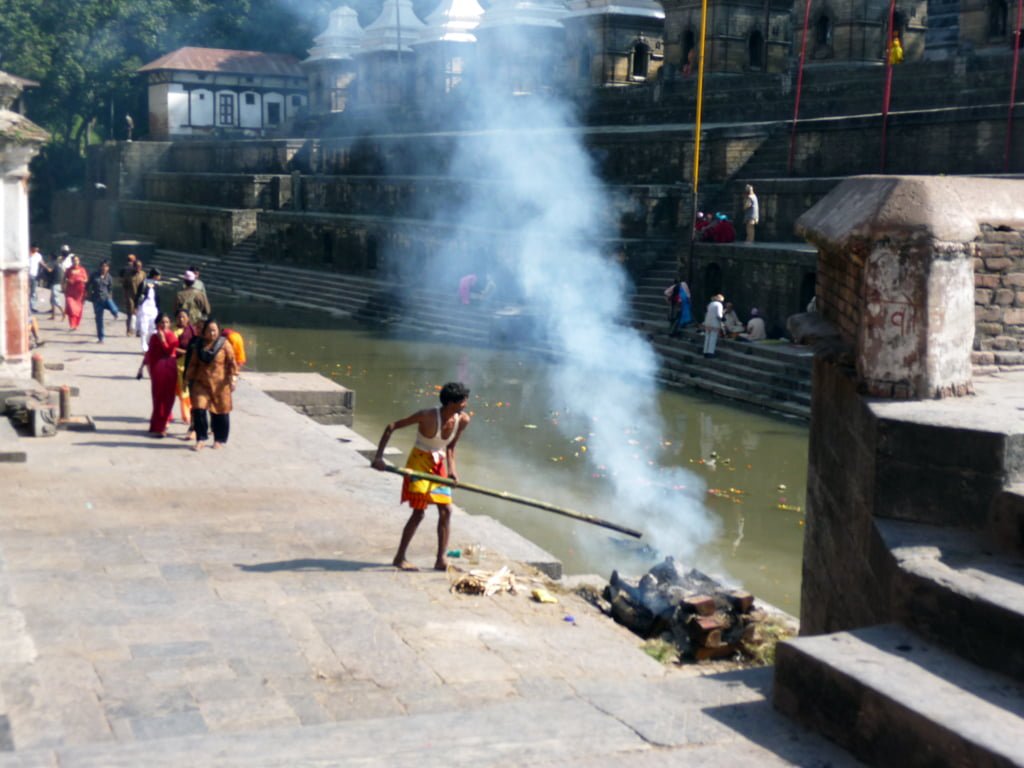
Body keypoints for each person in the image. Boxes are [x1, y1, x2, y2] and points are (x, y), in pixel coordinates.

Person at [371, 382, 472, 572]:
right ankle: (399, 557)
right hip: (418, 462)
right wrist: (378, 458)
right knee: (419, 512)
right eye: (463, 401)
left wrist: (452, 470)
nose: (465, 404)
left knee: (446, 511)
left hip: (438, 464)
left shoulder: (463, 420)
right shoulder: (427, 415)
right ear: (451, 402)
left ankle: (440, 559)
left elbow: (450, 447)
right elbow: (391, 426)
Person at [185, 318, 239, 451]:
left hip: (220, 384)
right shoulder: (199, 345)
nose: (212, 333)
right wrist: (187, 379)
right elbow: (193, 364)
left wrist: (233, 379)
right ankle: (201, 438)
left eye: (214, 330)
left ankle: (219, 439)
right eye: (209, 330)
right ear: (204, 332)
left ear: (219, 331)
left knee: (221, 412)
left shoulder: (225, 345)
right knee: (198, 409)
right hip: (201, 383)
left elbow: (232, 363)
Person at [136, 313, 179, 437]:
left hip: (169, 367)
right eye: (162, 322)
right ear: (157, 324)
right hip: (157, 369)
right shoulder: (154, 337)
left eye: (166, 322)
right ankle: (157, 425)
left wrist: (163, 340)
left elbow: (169, 351)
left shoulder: (172, 336)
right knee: (158, 397)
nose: (164, 325)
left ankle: (163, 425)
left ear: (170, 324)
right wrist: (142, 366)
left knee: (168, 397)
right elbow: (149, 353)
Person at [173, 309, 198, 438]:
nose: (181, 319)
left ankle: (189, 417)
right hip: (176, 365)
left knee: (188, 392)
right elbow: (171, 347)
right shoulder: (174, 331)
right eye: (179, 317)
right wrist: (185, 352)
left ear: (188, 318)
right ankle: (183, 415)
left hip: (189, 365)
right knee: (180, 392)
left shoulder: (193, 331)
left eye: (183, 317)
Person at [88, 261, 120, 343]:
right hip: (97, 299)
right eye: (102, 266)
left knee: (114, 309)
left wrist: (110, 296)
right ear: (100, 267)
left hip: (106, 298)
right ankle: (101, 337)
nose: (104, 268)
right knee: (99, 319)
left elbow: (110, 288)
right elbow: (88, 284)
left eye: (106, 266)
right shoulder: (94, 275)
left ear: (108, 268)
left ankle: (115, 313)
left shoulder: (109, 277)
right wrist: (88, 293)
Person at [135, 268, 161, 351]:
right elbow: (138, 295)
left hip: (153, 308)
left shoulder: (157, 285)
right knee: (144, 327)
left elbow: (158, 298)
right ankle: (143, 344)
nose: (159, 277)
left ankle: (149, 343)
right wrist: (136, 306)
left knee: (153, 328)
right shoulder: (144, 283)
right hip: (144, 308)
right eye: (158, 275)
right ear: (154, 276)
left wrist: (158, 309)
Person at [62, 254, 89, 330]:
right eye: (74, 260)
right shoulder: (68, 270)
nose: (75, 262)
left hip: (79, 292)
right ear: (72, 261)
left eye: (77, 260)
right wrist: (64, 286)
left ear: (79, 261)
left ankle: (76, 324)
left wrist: (81, 280)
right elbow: (64, 279)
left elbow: (86, 279)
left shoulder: (82, 269)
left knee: (78, 309)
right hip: (70, 291)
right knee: (71, 307)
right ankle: (72, 324)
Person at [121, 255, 145, 336]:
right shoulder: (128, 274)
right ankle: (129, 330)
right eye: (137, 266)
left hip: (139, 297)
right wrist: (125, 296)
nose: (138, 268)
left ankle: (138, 331)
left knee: (139, 314)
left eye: (140, 266)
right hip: (130, 296)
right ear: (133, 266)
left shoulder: (143, 274)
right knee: (130, 314)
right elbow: (124, 285)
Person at [39, 252, 65, 321]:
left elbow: (49, 270)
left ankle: (63, 314)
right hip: (57, 283)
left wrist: (43, 265)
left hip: (55, 284)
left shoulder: (53, 263)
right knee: (52, 300)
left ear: (51, 257)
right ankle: (53, 316)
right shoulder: (58, 264)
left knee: (56, 300)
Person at [703, 293, 725, 358]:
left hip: (707, 322)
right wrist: (723, 318)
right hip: (714, 323)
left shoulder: (710, 304)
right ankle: (710, 353)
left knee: (707, 337)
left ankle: (705, 352)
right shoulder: (719, 305)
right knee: (713, 338)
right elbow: (719, 315)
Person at [28, 245, 43, 313]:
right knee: (26, 291)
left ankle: (33, 307)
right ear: (32, 248)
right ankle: (27, 307)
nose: (37, 249)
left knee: (33, 292)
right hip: (27, 275)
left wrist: (47, 268)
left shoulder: (38, 255)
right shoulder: (26, 254)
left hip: (35, 275)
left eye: (37, 248)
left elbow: (41, 263)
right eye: (35, 247)